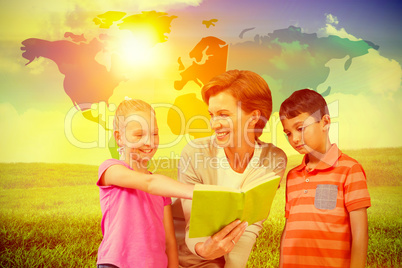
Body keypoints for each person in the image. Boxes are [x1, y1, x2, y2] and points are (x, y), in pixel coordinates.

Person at [173, 70, 287, 267]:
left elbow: (251, 223)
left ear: (254, 117)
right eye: (212, 115)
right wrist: (204, 250)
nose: (214, 124)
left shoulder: (273, 159)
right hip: (186, 257)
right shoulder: (195, 153)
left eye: (223, 115)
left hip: (224, 258)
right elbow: (194, 224)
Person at [96, 98, 194, 268]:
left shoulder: (161, 189)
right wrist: (196, 191)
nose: (149, 142)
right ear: (119, 137)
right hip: (117, 264)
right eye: (139, 135)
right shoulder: (110, 169)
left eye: (154, 133)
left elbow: (170, 242)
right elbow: (149, 183)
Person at [278, 89, 371, 268]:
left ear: (325, 122)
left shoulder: (350, 170)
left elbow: (360, 234)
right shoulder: (293, 176)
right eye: (288, 133)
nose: (294, 139)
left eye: (300, 128)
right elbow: (288, 228)